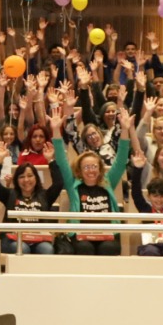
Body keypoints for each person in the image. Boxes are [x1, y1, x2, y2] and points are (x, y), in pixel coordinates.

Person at [50, 105, 133, 256]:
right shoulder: (73, 184)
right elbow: (62, 161)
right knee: (84, 248)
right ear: (80, 170)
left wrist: (125, 130)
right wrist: (56, 130)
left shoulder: (107, 181)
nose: (91, 170)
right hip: (81, 234)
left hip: (107, 233)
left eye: (94, 166)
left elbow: (121, 160)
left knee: (110, 248)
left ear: (100, 168)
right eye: (86, 167)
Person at [0, 140, 64, 256]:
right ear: (16, 180)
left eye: (30, 176)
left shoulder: (45, 195)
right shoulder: (10, 194)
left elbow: (58, 183)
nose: (26, 180)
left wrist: (50, 160)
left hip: (39, 239)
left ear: (36, 178)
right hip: (12, 239)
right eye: (21, 177)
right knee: (23, 248)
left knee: (47, 249)